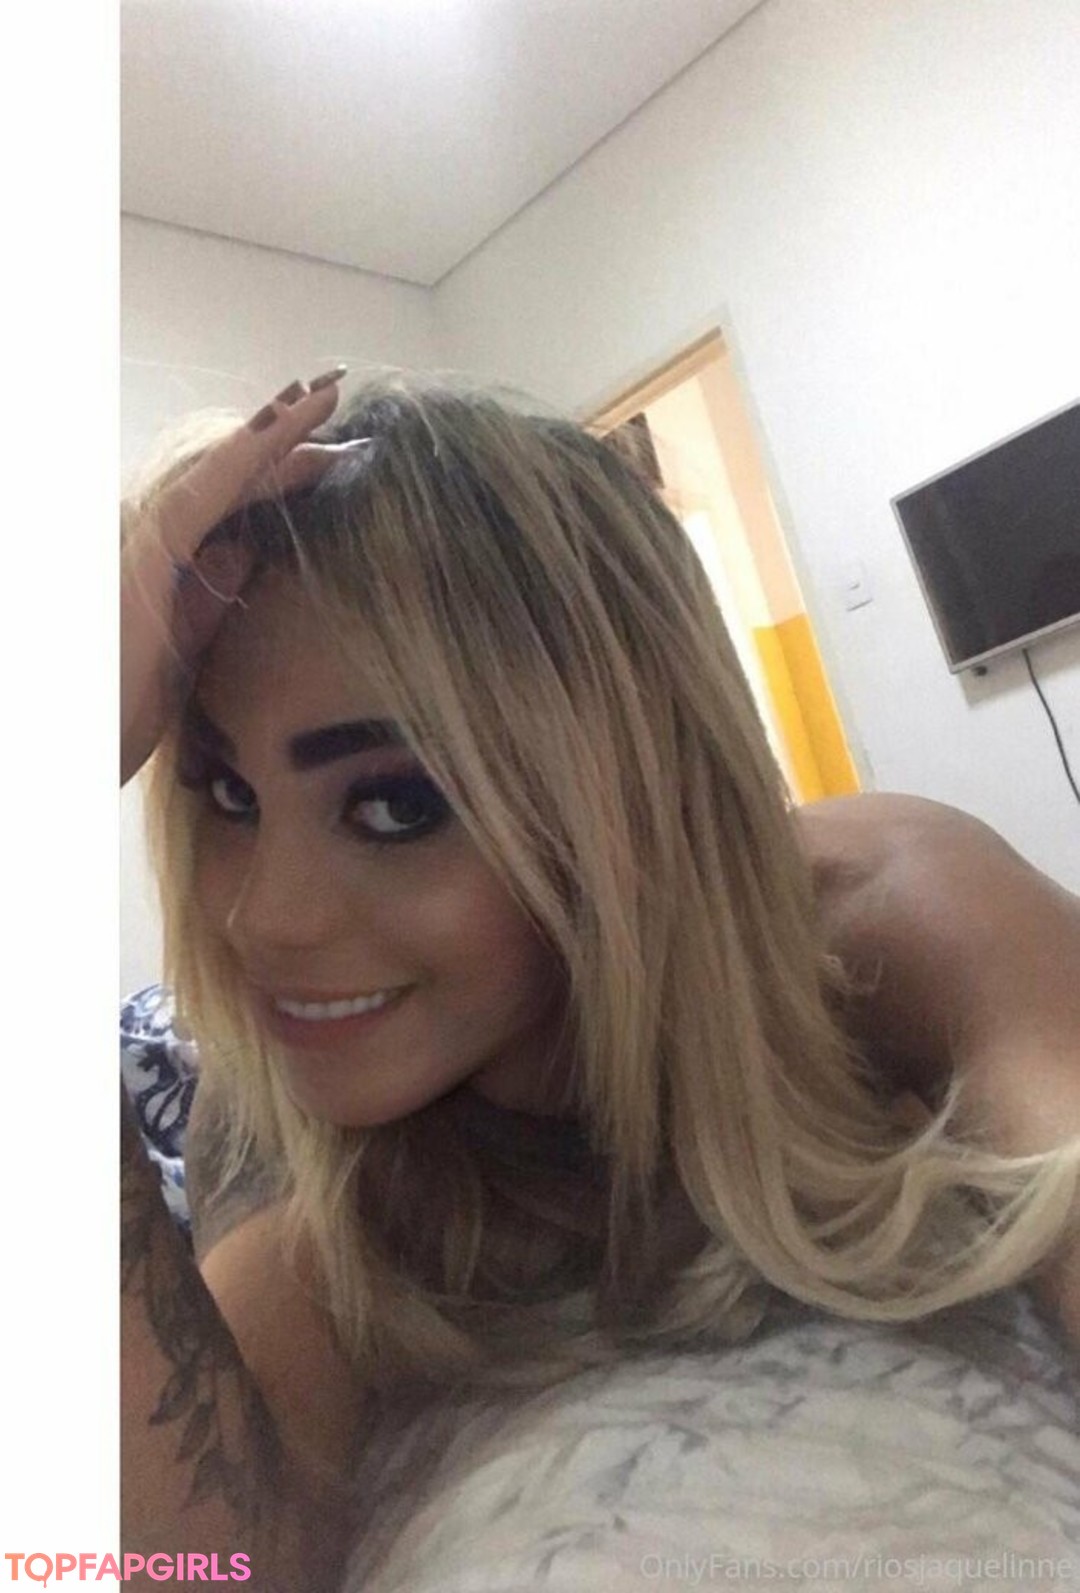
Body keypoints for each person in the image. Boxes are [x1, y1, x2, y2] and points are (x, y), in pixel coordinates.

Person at [120, 368, 1080, 1590]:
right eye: (226, 794)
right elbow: (206, 1566)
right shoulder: (274, 1099)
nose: (263, 919)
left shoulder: (880, 902)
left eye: (397, 804)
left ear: (627, 787)